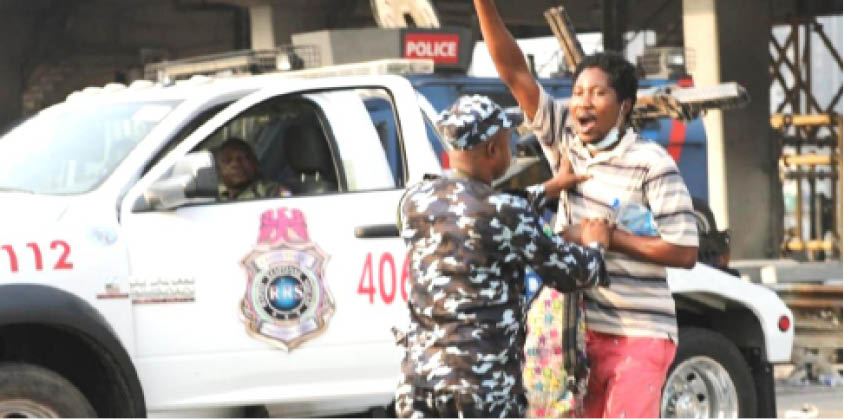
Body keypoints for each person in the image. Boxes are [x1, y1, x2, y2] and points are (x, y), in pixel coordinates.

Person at [474, 1, 700, 417]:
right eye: (578, 93)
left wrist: (612, 239)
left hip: (641, 333)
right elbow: (514, 72)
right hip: (574, 332)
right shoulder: (566, 142)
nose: (583, 103)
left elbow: (684, 251)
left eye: (598, 93)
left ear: (625, 106)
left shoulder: (653, 164)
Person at [395, 94, 611, 418]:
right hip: (481, 390)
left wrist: (550, 188)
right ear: (493, 150)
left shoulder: (414, 200)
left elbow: (474, 207)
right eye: (508, 140)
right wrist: (596, 244)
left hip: (419, 385)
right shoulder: (507, 213)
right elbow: (571, 273)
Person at [214, 137, 290, 201]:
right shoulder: (210, 195)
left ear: (254, 164)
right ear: (219, 169)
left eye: (242, 159)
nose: (236, 164)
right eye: (228, 160)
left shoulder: (271, 191)